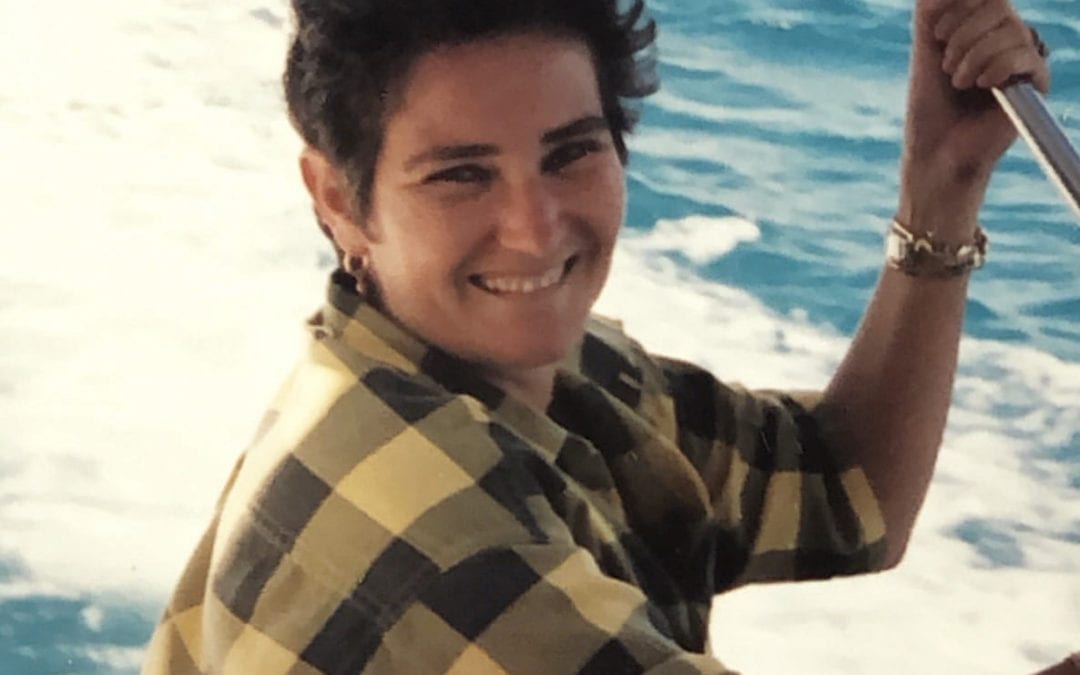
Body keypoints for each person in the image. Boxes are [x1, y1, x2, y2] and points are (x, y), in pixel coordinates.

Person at [143, 0, 1063, 672]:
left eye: (571, 152)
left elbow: (843, 493)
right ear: (339, 199)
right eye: (461, 174)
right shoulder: (440, 545)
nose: (534, 230)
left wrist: (942, 184)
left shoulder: (553, 378)